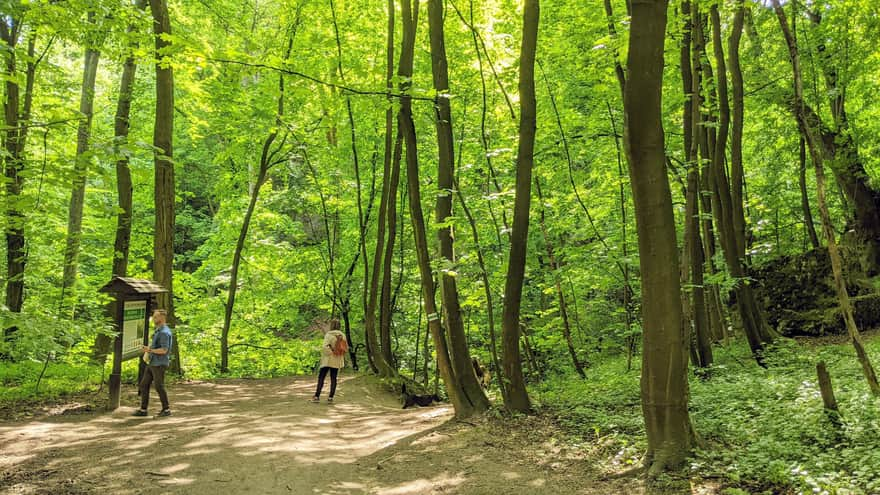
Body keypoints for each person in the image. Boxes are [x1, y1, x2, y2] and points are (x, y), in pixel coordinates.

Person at [133, 309, 173, 417]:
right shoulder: (158, 330)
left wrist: (150, 350)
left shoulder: (164, 332)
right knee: (144, 384)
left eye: (156, 317)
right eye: (153, 316)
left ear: (162, 318)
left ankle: (166, 409)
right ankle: (143, 410)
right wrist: (148, 349)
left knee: (159, 386)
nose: (154, 319)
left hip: (159, 364)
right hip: (152, 362)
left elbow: (164, 350)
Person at [310, 319, 345, 404]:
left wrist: (331, 352)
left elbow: (325, 348)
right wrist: (336, 353)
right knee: (334, 378)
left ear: (331, 325)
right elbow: (344, 348)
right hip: (337, 359)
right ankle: (330, 397)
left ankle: (317, 396)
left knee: (321, 377)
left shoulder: (328, 335)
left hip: (327, 360)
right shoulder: (342, 335)